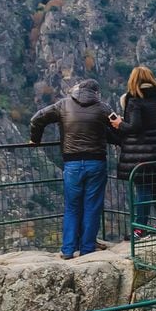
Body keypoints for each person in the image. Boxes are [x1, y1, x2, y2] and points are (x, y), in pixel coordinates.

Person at [29, 78, 117, 259]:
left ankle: (68, 250)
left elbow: (37, 118)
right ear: (96, 92)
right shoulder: (104, 108)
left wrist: (35, 140)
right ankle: (86, 250)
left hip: (72, 163)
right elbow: (118, 130)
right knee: (92, 207)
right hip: (96, 163)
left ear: (78, 90)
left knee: (72, 207)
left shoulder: (63, 105)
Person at [113, 65, 156, 237]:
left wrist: (119, 124)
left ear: (133, 80)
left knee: (143, 191)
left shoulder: (135, 100)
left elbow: (135, 127)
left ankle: (139, 229)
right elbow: (149, 123)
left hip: (142, 153)